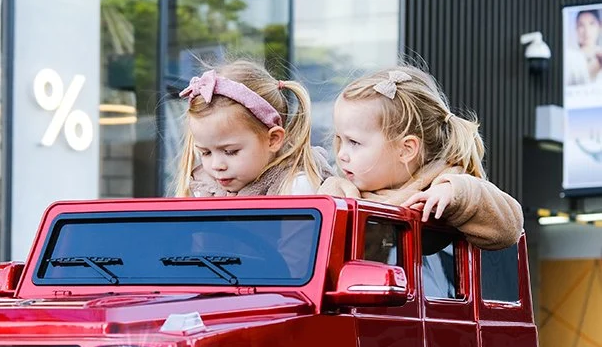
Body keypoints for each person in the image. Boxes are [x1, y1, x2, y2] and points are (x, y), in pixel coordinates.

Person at [320, 65, 524, 251]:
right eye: (340, 139)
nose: (341, 155)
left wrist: (456, 194)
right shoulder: (342, 192)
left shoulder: (442, 184)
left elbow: (510, 226)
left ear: (406, 149)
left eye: (354, 142)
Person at [173, 59, 335, 198]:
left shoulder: (295, 189)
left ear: (273, 139)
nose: (216, 165)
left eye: (230, 151)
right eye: (205, 153)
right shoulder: (204, 189)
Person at [565, 8, 602, 86]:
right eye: (581, 25)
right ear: (576, 28)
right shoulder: (568, 57)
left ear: (599, 26)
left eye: (592, 24)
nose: (587, 31)